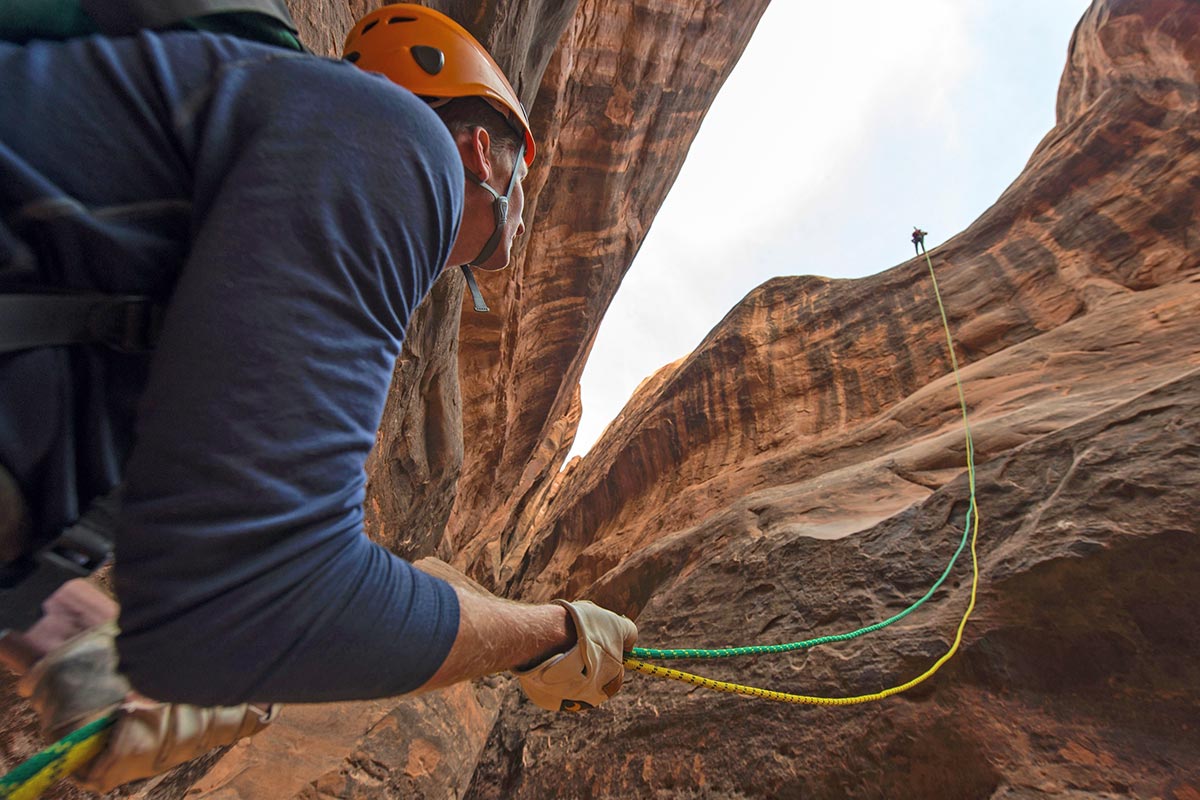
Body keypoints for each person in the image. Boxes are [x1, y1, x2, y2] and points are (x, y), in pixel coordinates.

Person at [0, 2, 636, 791]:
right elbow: (250, 601)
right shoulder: (399, 144)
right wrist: (551, 634)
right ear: (481, 149)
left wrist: (53, 620)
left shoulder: (214, 214)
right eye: (524, 180)